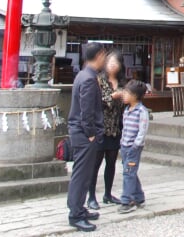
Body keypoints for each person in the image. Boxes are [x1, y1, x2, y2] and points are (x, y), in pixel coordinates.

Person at [66, 43, 106, 232]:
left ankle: (79, 207)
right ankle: (75, 214)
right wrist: (90, 133)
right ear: (98, 55)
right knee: (81, 174)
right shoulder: (89, 79)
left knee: (82, 173)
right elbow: (86, 111)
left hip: (79, 131)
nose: (105, 59)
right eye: (104, 55)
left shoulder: (83, 74)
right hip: (84, 134)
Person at [88, 52, 124, 209]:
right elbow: (97, 101)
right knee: (95, 164)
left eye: (116, 62)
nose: (112, 65)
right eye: (110, 62)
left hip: (115, 128)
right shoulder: (99, 80)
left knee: (111, 163)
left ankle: (108, 194)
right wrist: (113, 97)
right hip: (101, 127)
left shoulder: (122, 83)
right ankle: (91, 197)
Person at [117, 80, 149, 214]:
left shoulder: (141, 111)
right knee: (130, 171)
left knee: (128, 173)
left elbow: (143, 130)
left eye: (127, 93)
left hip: (133, 147)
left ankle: (127, 200)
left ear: (135, 96)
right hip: (125, 144)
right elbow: (124, 128)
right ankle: (138, 197)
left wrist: (136, 144)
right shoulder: (127, 110)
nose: (124, 95)